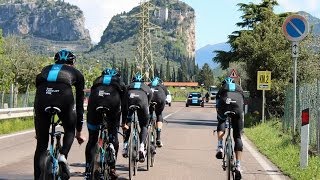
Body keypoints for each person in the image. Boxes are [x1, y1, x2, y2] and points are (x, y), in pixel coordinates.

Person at [33, 49, 85, 180]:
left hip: (42, 98)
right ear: (72, 62)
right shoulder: (77, 73)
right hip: (64, 98)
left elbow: (38, 85)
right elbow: (79, 104)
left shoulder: (46, 69)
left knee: (41, 145)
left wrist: (38, 130)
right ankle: (63, 156)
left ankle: (38, 177)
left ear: (55, 61)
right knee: (69, 130)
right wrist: (78, 130)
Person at [84, 68, 127, 179]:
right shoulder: (120, 83)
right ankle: (112, 168)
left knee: (92, 139)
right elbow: (124, 105)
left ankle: (88, 169)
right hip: (112, 105)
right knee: (113, 133)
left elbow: (90, 100)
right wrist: (124, 122)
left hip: (94, 105)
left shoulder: (97, 80)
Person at [215, 77, 244, 180]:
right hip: (238, 109)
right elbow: (242, 102)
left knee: (221, 120)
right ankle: (238, 166)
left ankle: (220, 146)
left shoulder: (222, 89)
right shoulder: (239, 88)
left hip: (224, 106)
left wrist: (219, 114)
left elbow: (217, 103)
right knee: (237, 136)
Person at [122, 73, 153, 163]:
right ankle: (142, 147)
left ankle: (125, 146)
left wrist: (124, 120)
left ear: (133, 80)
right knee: (144, 125)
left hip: (130, 102)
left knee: (127, 122)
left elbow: (124, 103)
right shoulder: (146, 87)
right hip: (142, 103)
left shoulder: (128, 86)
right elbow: (149, 101)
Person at [148, 76, 168, 148]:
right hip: (160, 98)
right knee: (159, 114)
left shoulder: (149, 85)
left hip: (150, 98)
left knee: (149, 114)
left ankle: (146, 130)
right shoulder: (162, 86)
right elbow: (166, 95)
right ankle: (158, 138)